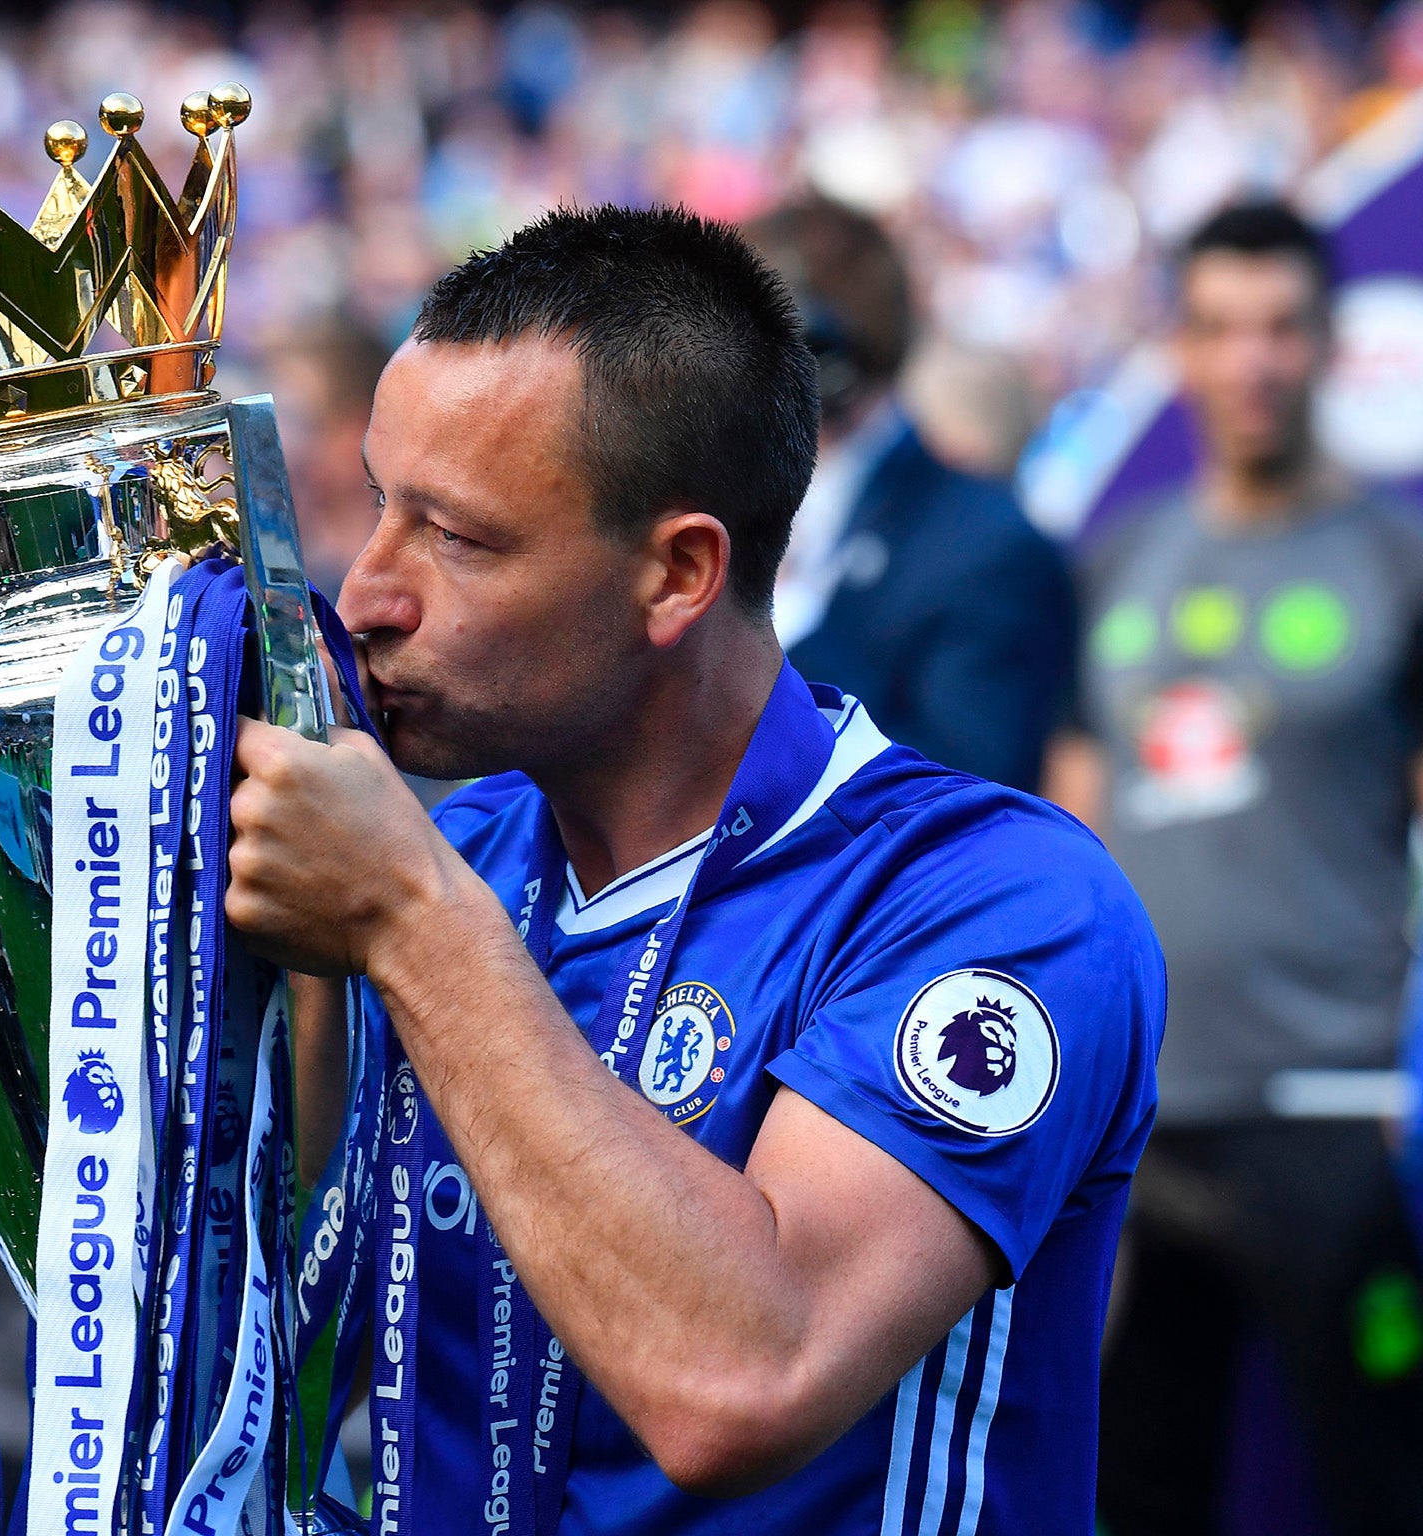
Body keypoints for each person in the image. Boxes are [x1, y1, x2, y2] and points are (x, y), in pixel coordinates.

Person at [226, 206, 1164, 1535]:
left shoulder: (996, 904)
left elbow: (745, 1379)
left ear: (677, 574)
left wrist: (407, 925)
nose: (368, 590)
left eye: (456, 536)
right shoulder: (454, 857)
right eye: (381, 505)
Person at [1046, 201, 1423, 1536]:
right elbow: (1071, 830)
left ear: (1329, 343)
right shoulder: (1118, 562)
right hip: (1143, 1118)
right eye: (1218, 329)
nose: (1250, 360)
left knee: (1380, 1480)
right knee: (1135, 1490)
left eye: (1279, 328)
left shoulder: (1397, 563)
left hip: (1336, 1106)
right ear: (1181, 348)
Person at [746, 198, 1074, 793]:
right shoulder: (709, 510)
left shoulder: (985, 543)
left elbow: (970, 785)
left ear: (824, 352)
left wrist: (769, 646)